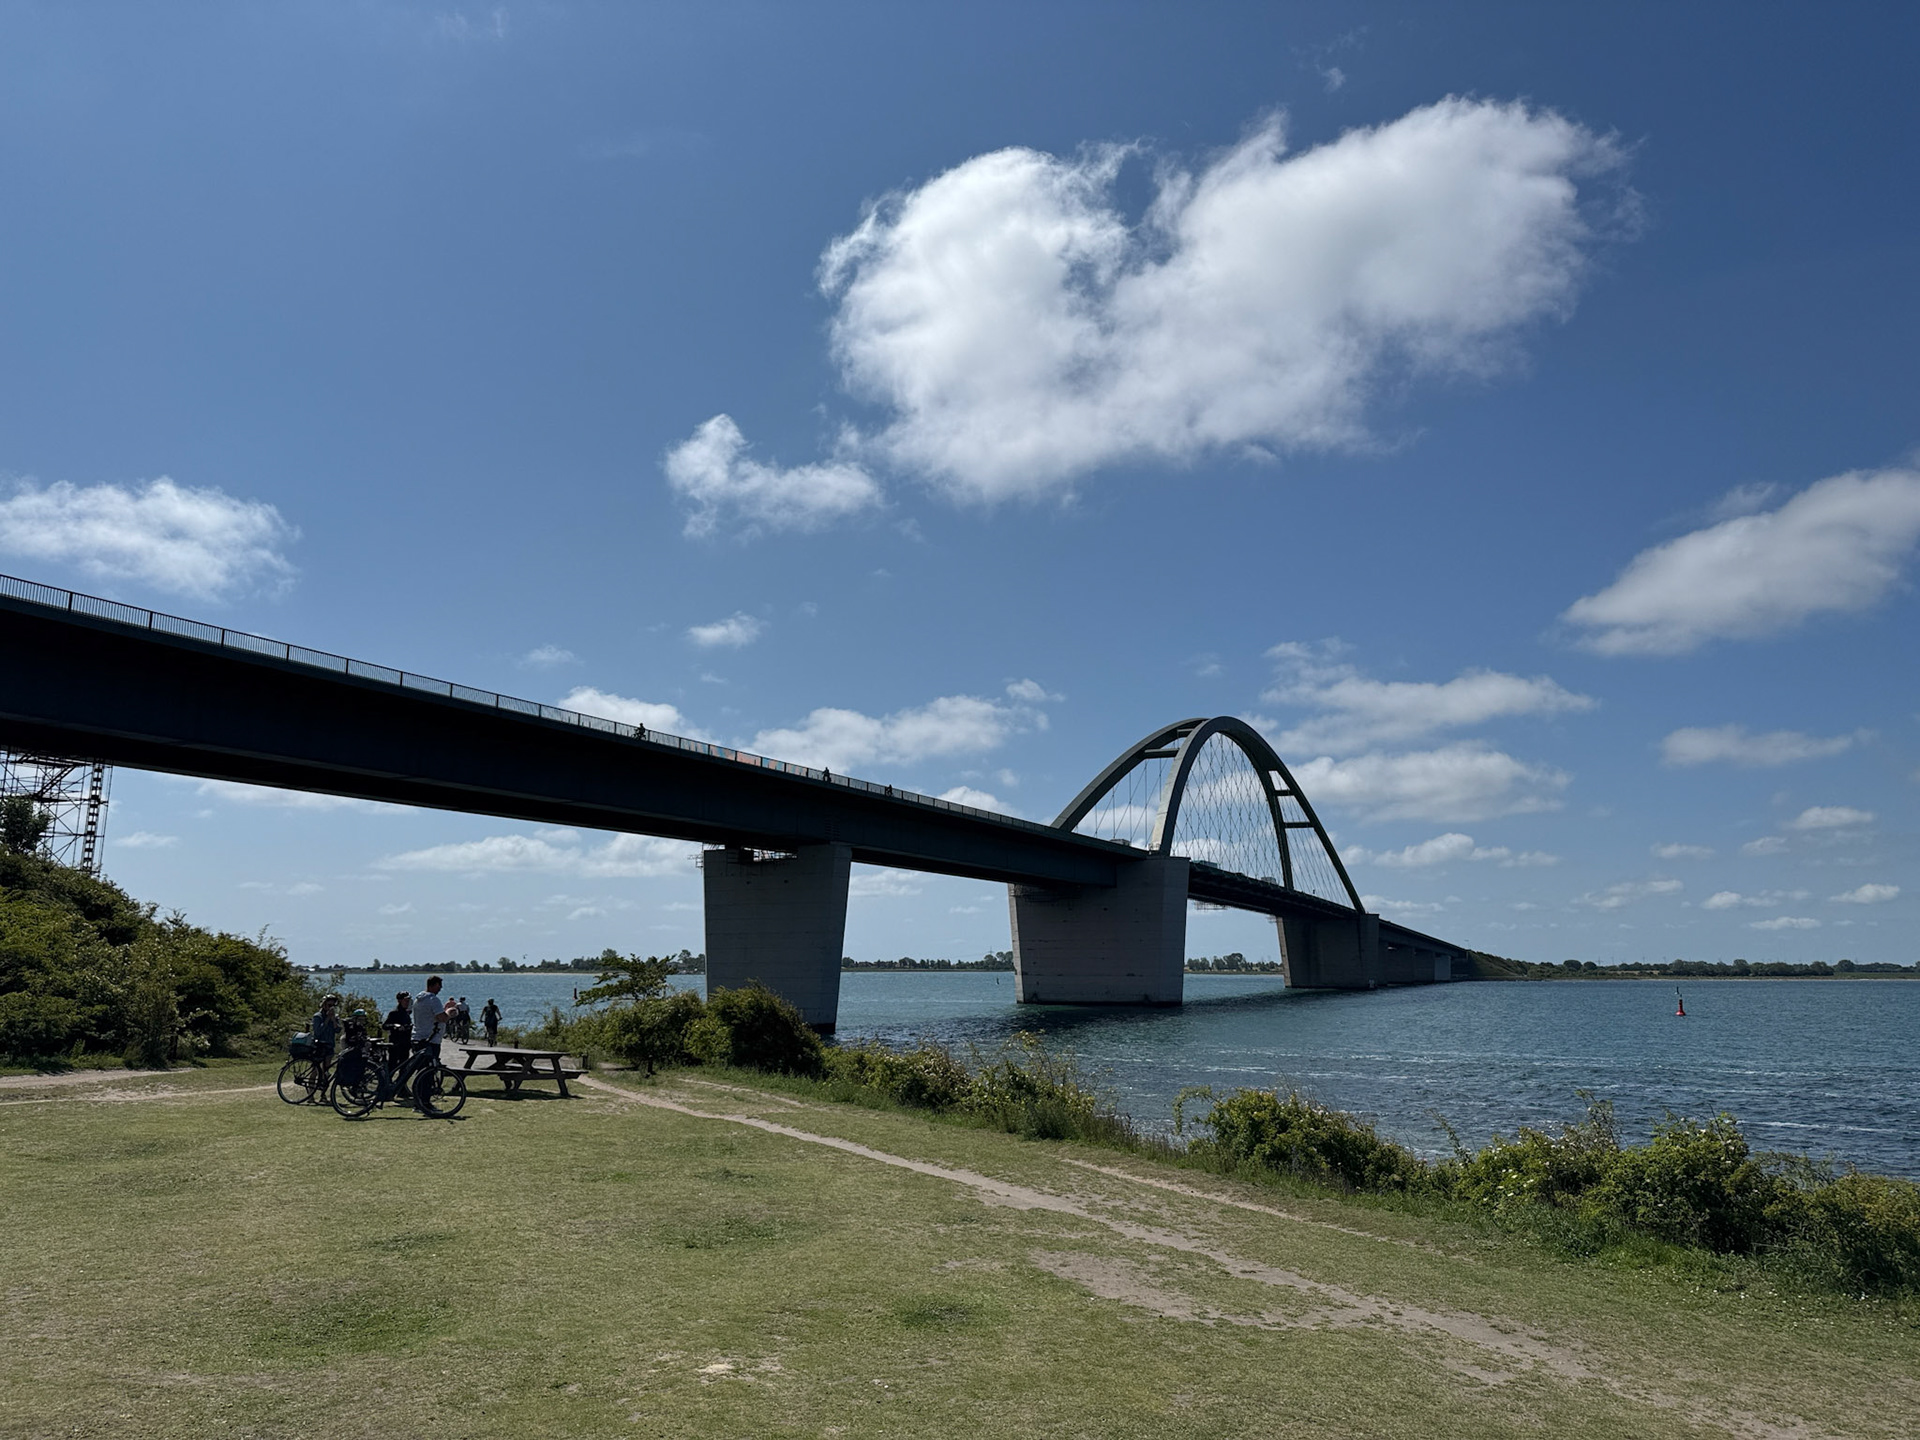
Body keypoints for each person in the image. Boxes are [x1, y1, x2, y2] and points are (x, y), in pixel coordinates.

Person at [383, 991, 411, 1065]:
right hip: (396, 1043)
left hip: (405, 1043)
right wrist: (394, 1026)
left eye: (408, 1000)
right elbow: (385, 1026)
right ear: (400, 1001)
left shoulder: (407, 1012)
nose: (407, 1002)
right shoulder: (394, 1013)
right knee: (392, 1064)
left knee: (404, 1065)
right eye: (405, 1000)